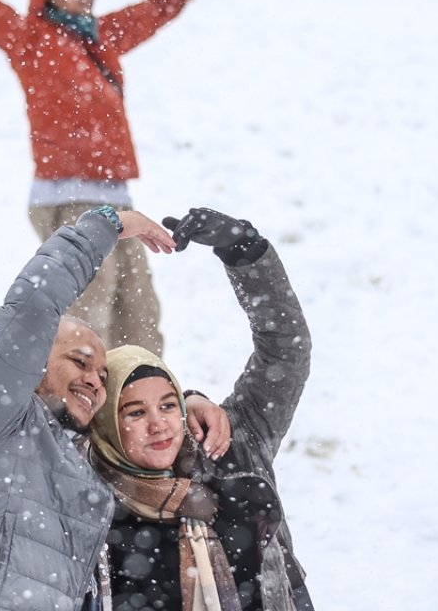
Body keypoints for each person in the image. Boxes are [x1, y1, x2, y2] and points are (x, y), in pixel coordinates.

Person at [0, 206, 233, 611]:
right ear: (33, 358)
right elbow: (34, 304)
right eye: (80, 360)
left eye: (103, 376)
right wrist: (106, 224)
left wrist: (191, 400)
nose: (94, 379)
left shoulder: (78, 468)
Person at [0, 0, 199, 356]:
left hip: (116, 200)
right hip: (67, 202)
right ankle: (77, 408)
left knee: (139, 313)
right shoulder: (30, 39)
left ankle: (142, 402)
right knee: (89, 315)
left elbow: (138, 19)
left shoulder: (99, 37)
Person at [87, 208, 316, 610]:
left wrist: (244, 249)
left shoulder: (229, 447)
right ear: (106, 424)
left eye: (168, 404)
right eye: (135, 413)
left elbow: (285, 352)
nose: (159, 425)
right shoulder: (85, 496)